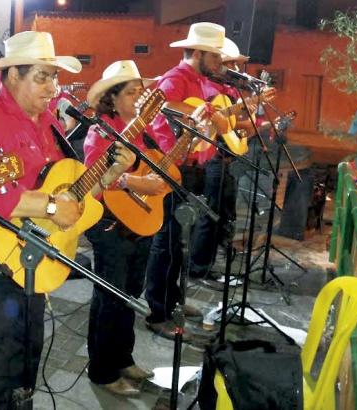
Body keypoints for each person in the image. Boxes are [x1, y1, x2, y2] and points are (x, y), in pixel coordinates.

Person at [0, 31, 136, 409]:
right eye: (42, 77)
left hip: (33, 257)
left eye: (55, 78)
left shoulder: (49, 124)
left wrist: (106, 173)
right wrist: (51, 208)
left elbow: (70, 192)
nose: (52, 87)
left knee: (26, 358)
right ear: (12, 75)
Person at [83, 60, 166, 396]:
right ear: (112, 98)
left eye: (140, 91)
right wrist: (135, 181)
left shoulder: (141, 127)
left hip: (137, 220)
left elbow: (157, 161)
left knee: (130, 293)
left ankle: (123, 357)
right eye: (132, 92)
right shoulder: (101, 130)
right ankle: (102, 371)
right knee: (110, 296)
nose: (139, 97)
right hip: (109, 224)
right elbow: (92, 177)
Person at [143, 22, 230, 341]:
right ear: (197, 53)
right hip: (170, 167)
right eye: (215, 57)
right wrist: (207, 112)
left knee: (180, 238)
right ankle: (157, 311)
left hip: (189, 167)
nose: (219, 63)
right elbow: (162, 106)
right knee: (165, 241)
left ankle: (174, 299)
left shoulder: (199, 80)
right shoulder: (176, 78)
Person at [189, 38, 258, 280]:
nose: (236, 70)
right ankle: (198, 268)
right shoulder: (209, 88)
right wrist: (241, 120)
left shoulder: (229, 90)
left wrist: (246, 121)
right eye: (230, 64)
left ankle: (210, 264)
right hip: (213, 159)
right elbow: (213, 123)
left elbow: (229, 126)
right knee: (209, 215)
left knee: (223, 214)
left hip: (226, 157)